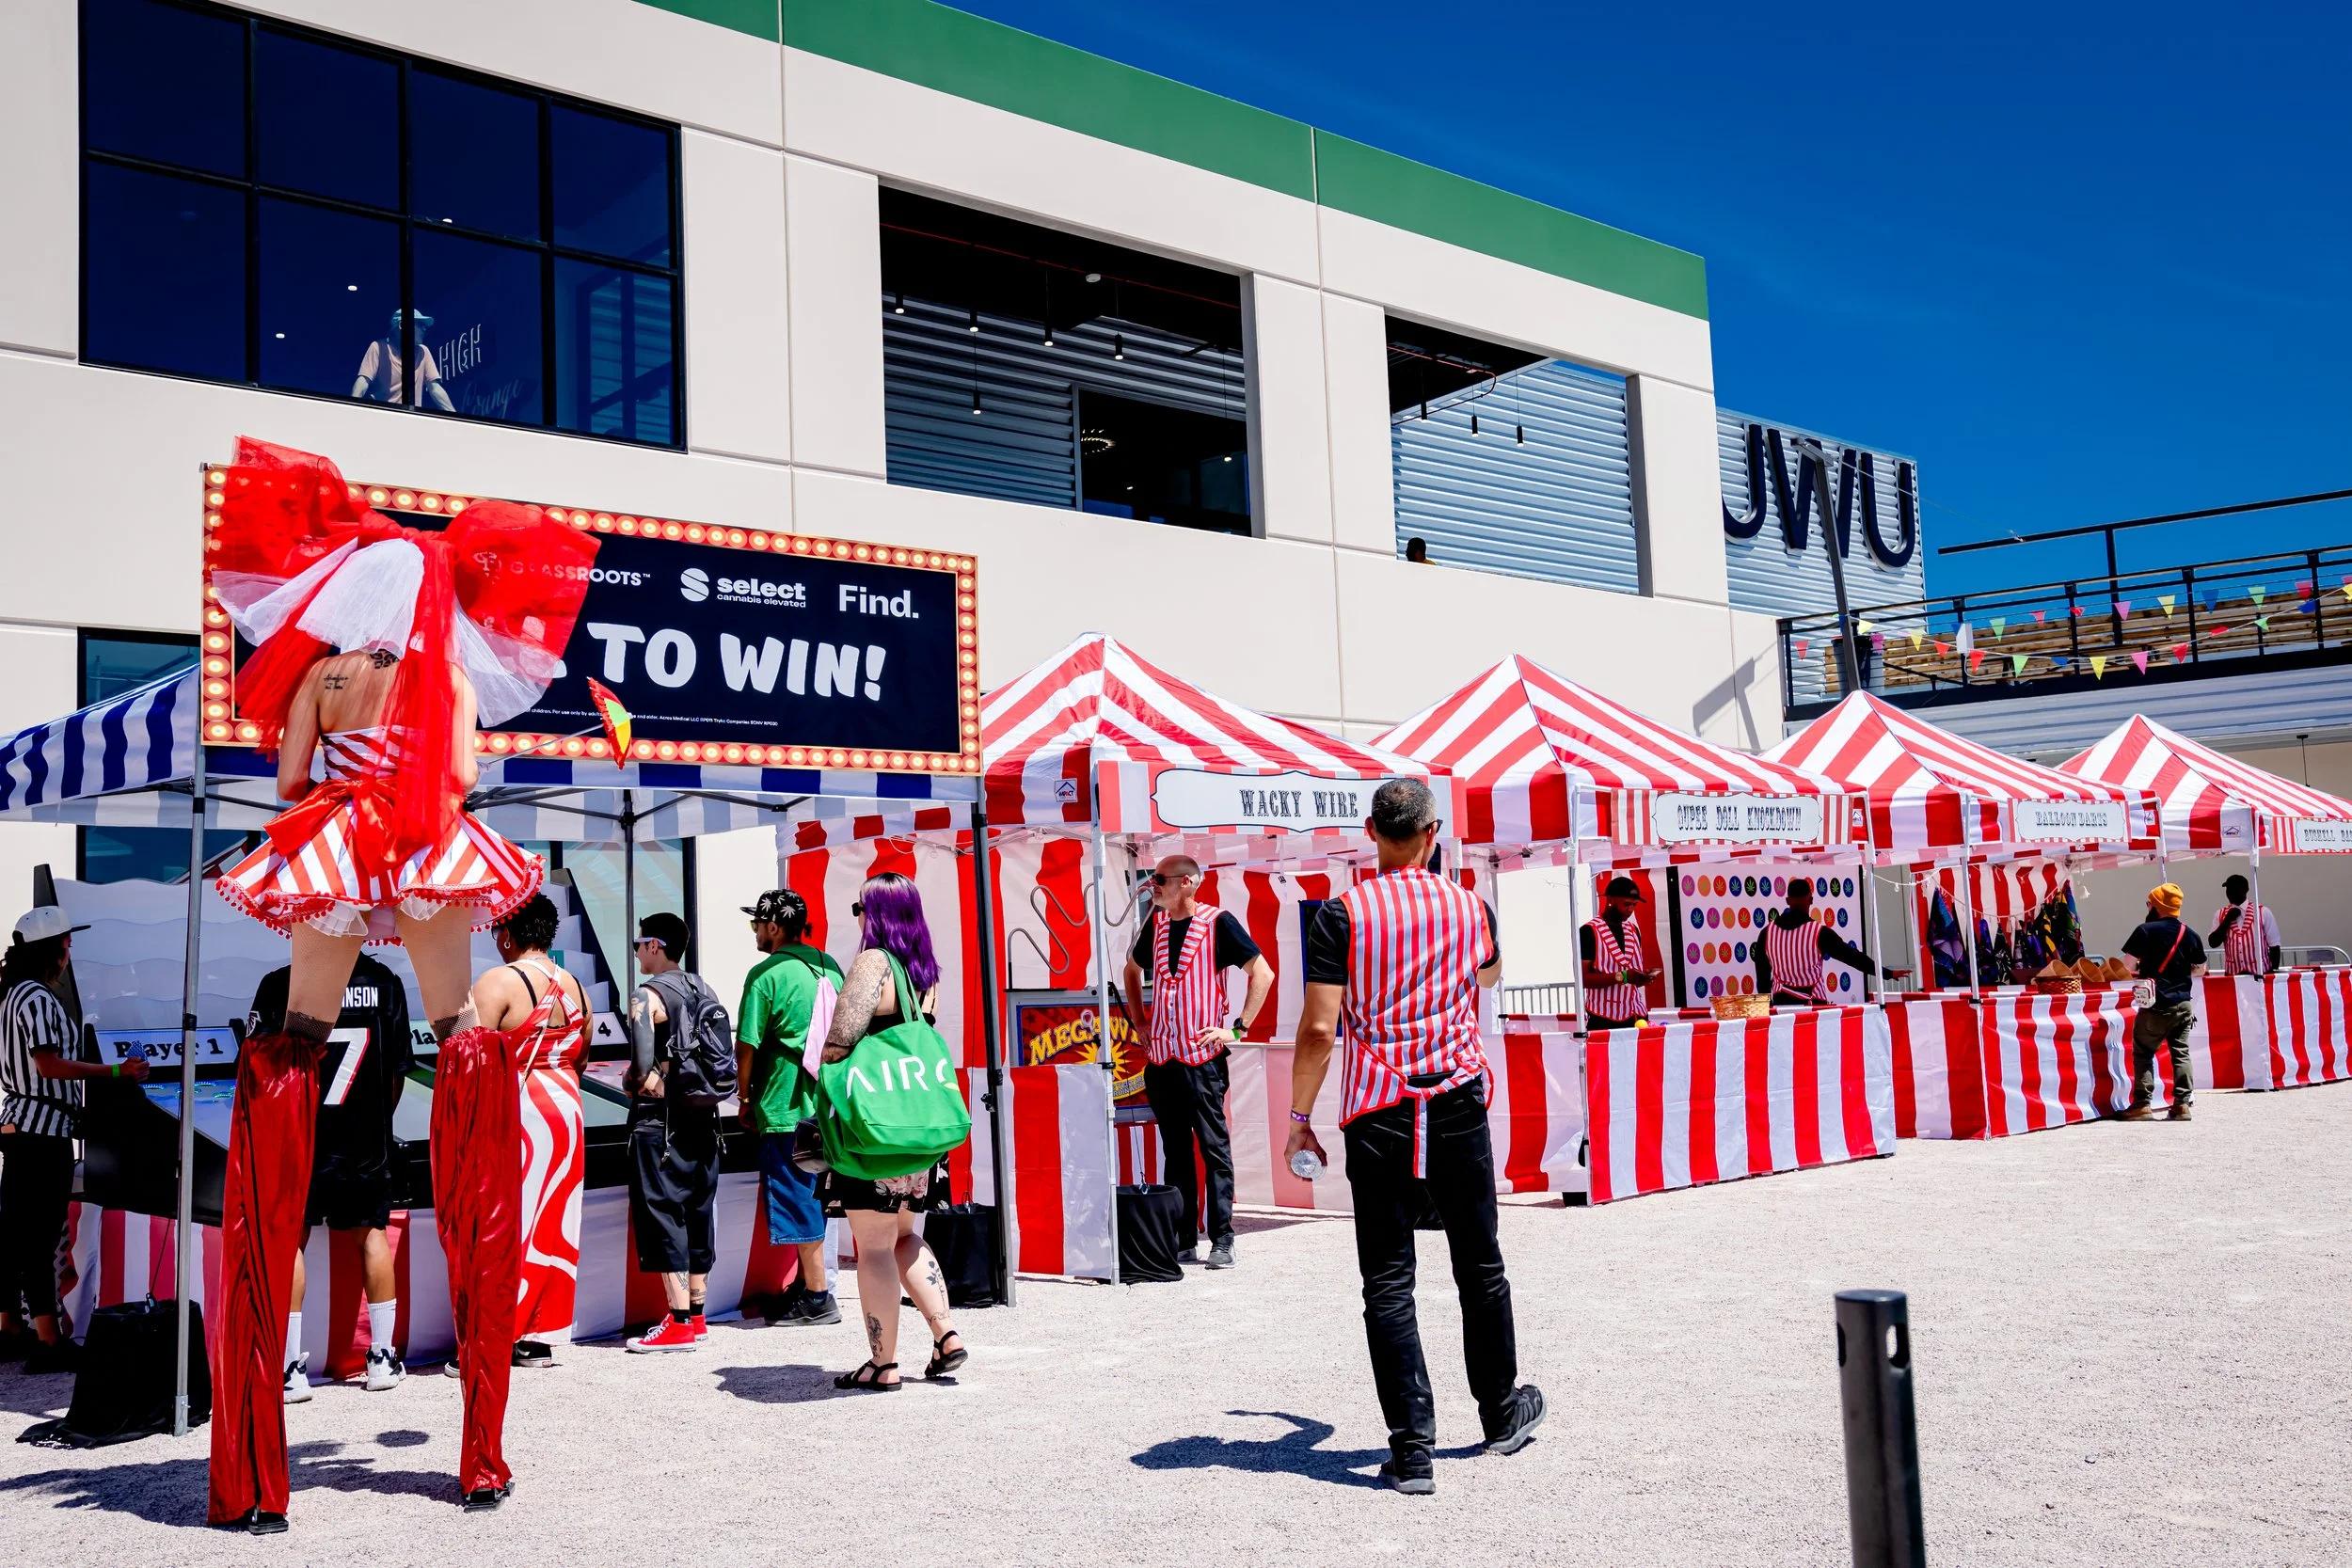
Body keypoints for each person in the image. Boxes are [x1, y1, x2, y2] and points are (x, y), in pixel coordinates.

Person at [201, 437, 595, 1532]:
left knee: (292, 1037)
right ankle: (477, 1450)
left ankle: (249, 1457)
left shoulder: (322, 671)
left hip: (333, 843)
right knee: (461, 1035)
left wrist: (341, 762)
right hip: (422, 847)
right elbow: (460, 775)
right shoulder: (448, 673)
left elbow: (285, 779)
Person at [1286, 779, 1544, 1496]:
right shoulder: (1470, 907)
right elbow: (1490, 973)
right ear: (1433, 832)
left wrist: (1299, 1117)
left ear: (1370, 830)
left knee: (1389, 1279)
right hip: (1456, 1094)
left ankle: (1413, 1447)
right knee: (1479, 1261)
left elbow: (1317, 1028)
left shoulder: (1343, 914)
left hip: (1381, 1108)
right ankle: (1499, 1411)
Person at [819, 872, 966, 1392]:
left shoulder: (873, 962)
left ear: (876, 913)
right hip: (916, 1135)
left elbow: (840, 1038)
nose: (857, 917)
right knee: (906, 1236)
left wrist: (826, 1064)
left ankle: (883, 1364)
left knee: (874, 1247)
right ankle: (944, 1333)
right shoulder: (925, 972)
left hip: (875, 1135)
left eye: (860, 908)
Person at [249, 950, 412, 1402]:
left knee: (292, 1240)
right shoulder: (385, 981)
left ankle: (288, 1367)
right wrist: (376, 1121)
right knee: (371, 1235)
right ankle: (381, 1358)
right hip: (363, 1138)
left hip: (300, 1132)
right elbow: (399, 1069)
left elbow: (258, 1064)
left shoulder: (280, 982)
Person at [0, 909, 141, 1374]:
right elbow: (49, 1066)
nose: (68, 951)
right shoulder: (38, 999)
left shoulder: (9, 995)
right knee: (37, 1238)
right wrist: (117, 1071)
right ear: (49, 951)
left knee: (15, 1235)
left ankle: (11, 1330)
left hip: (22, 1126)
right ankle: (48, 1340)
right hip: (42, 1131)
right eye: (64, 943)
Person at [1119, 855, 1273, 1270]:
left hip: (1202, 1058)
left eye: (1160, 880)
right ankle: (1184, 1238)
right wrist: (1139, 1020)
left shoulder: (1218, 922)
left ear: (1187, 883)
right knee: (1175, 1151)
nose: (1154, 886)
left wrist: (1237, 1029)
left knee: (1213, 1147)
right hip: (1163, 1057)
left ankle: (1223, 1238)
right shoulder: (1157, 924)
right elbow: (1130, 972)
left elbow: (1263, 973)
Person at [481, 894, 591, 1366]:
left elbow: (471, 1061)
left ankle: (496, 1333)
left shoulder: (498, 981)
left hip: (519, 1108)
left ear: (507, 933)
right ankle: (539, 1335)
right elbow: (582, 1055)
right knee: (555, 1224)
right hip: (566, 1106)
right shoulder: (574, 984)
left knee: (506, 1221)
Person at [735, 889, 843, 1326]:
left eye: (757, 925)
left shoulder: (766, 973)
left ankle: (818, 1296)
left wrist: (744, 1097)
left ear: (774, 927)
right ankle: (808, 1285)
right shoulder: (830, 966)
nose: (756, 933)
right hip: (830, 1101)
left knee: (797, 1193)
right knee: (818, 1193)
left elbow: (748, 1044)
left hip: (784, 1101)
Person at [623, 913, 725, 1354]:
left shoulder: (647, 996)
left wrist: (631, 1080)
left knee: (663, 1211)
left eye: (638, 944)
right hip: (705, 1116)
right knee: (698, 1209)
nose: (637, 952)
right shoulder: (706, 988)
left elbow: (642, 1063)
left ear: (655, 946)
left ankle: (678, 1321)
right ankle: (697, 1315)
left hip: (660, 1122)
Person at [2119, 883, 2206, 1123]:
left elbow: (2127, 965)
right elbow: (2200, 969)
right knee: (2181, 1053)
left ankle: (2142, 1104)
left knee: (2144, 1051)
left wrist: (2141, 966)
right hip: (2183, 1004)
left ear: (2156, 906)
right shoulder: (2190, 933)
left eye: (2149, 903)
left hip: (2156, 1003)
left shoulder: (2144, 930)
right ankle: (2182, 1104)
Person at [1754, 876, 1907, 1005]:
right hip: (1814, 1008)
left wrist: (1768, 1008)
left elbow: (1762, 977)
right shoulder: (1818, 933)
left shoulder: (1767, 933)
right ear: (1811, 900)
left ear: (1787, 900)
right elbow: (1853, 957)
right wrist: (1887, 973)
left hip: (1781, 1007)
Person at [1579, 877, 1661, 1029]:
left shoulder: (1633, 930)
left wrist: (1640, 978)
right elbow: (1583, 979)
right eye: (1626, 904)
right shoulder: (1589, 932)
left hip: (1636, 1014)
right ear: (1610, 900)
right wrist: (1622, 976)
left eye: (1634, 905)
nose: (1631, 909)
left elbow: (1630, 971)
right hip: (1603, 1018)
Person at [2208, 874, 2280, 977]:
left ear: (2245, 889)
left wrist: (2272, 974)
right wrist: (2227, 920)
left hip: (2260, 975)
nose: (2230, 892)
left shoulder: (2262, 912)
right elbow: (2213, 943)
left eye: (2234, 888)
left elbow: (2274, 945)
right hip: (2232, 976)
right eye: (2228, 888)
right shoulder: (2220, 914)